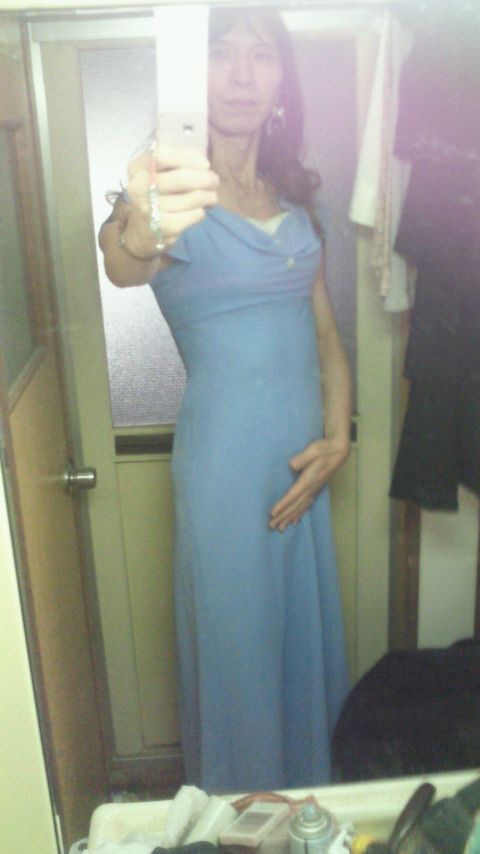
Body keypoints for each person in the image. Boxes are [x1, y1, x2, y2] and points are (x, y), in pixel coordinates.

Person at [99, 6, 351, 793]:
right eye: (221, 53)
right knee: (239, 658)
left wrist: (338, 439)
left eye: (262, 55)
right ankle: (242, 833)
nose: (242, 75)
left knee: (300, 652)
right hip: (224, 475)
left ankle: (305, 823)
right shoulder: (166, 195)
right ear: (192, 74)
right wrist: (143, 226)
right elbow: (122, 259)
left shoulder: (295, 196)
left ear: (281, 79)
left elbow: (325, 334)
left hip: (305, 470)